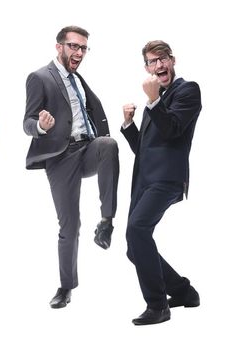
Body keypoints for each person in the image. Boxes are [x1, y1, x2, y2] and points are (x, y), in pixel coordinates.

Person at [23, 25, 119, 308]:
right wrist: (40, 126)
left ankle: (106, 222)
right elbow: (27, 121)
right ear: (59, 47)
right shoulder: (39, 77)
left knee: (109, 144)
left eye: (83, 48)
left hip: (87, 147)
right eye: (73, 46)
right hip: (61, 156)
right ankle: (66, 286)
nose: (79, 52)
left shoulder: (78, 79)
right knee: (70, 223)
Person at [121, 40, 201, 326]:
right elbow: (145, 148)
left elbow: (173, 130)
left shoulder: (187, 90)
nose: (159, 65)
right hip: (143, 180)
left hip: (167, 179)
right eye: (152, 62)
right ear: (147, 68)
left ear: (172, 60)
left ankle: (157, 306)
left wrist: (153, 101)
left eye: (162, 59)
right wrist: (129, 125)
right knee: (134, 246)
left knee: (137, 229)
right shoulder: (155, 99)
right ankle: (184, 292)